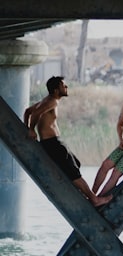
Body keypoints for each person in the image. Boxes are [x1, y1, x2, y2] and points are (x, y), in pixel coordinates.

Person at [23, 76, 111, 207]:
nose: (66, 87)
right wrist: (31, 130)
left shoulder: (46, 100)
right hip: (53, 143)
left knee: (76, 164)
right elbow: (35, 114)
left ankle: (81, 193)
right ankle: (94, 199)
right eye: (63, 85)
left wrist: (27, 128)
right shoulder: (52, 101)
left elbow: (28, 111)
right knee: (73, 172)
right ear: (56, 90)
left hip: (55, 142)